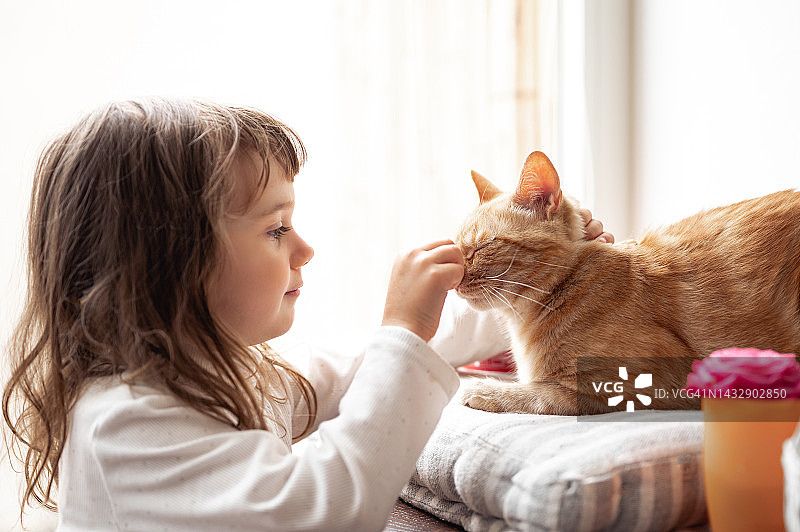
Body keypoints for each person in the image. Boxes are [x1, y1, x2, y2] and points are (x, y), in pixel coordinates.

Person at [2, 98, 612, 531]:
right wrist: (404, 332)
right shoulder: (125, 426)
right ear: (172, 263)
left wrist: (536, 289)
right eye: (276, 228)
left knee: (658, 383)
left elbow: (338, 371)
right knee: (660, 387)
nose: (305, 248)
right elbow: (329, 507)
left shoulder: (213, 376)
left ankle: (697, 382)